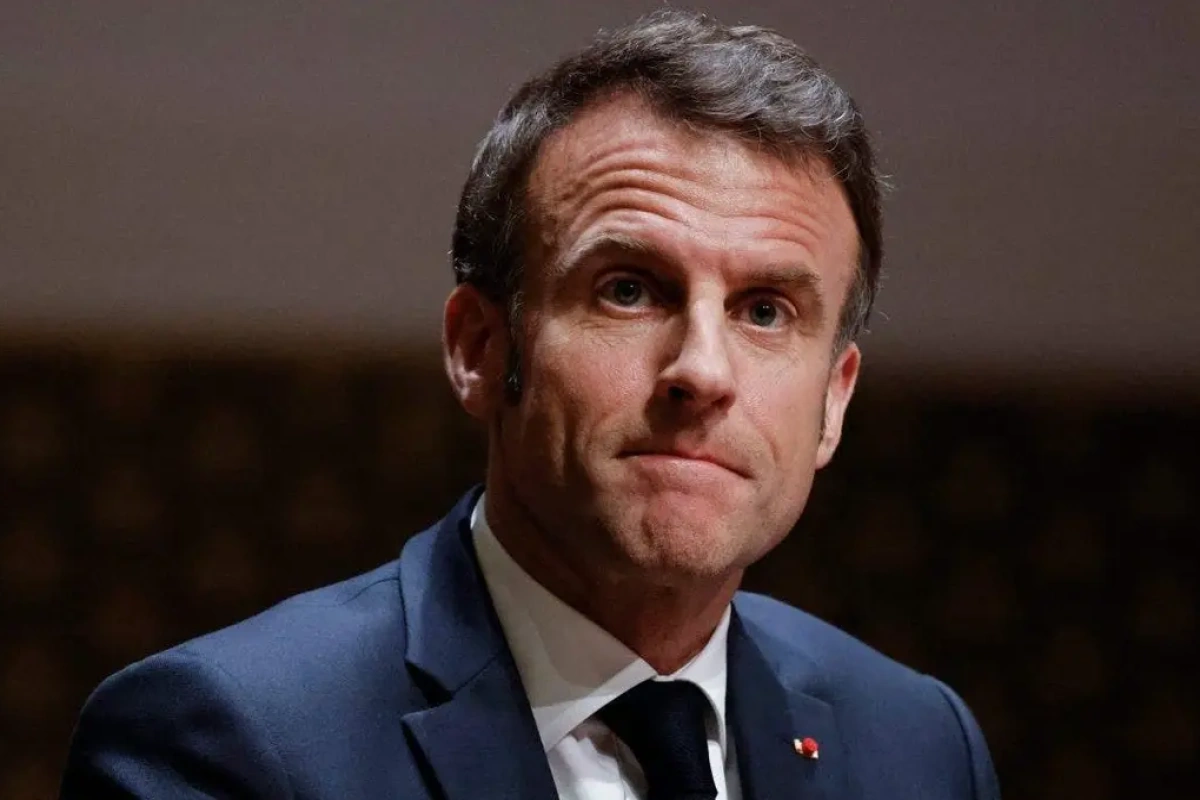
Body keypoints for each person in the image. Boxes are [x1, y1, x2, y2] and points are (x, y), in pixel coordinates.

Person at [61, 10, 1000, 799]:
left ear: (834, 402)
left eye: (765, 311)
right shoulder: (227, 742)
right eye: (628, 290)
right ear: (481, 349)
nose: (702, 371)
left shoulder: (919, 748)